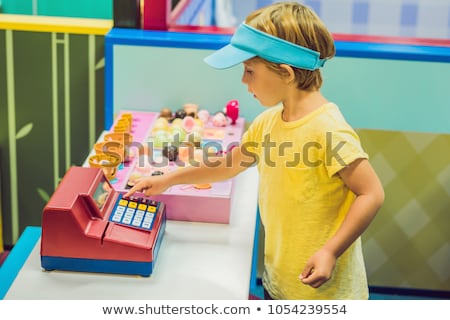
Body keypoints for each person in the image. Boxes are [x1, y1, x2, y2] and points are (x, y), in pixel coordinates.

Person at [126, 2, 384, 300]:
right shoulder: (268, 123)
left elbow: (372, 193)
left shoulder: (328, 130)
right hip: (281, 281)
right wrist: (168, 179)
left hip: (327, 293)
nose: (243, 80)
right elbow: (227, 165)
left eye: (249, 70)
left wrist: (330, 251)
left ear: (286, 73)